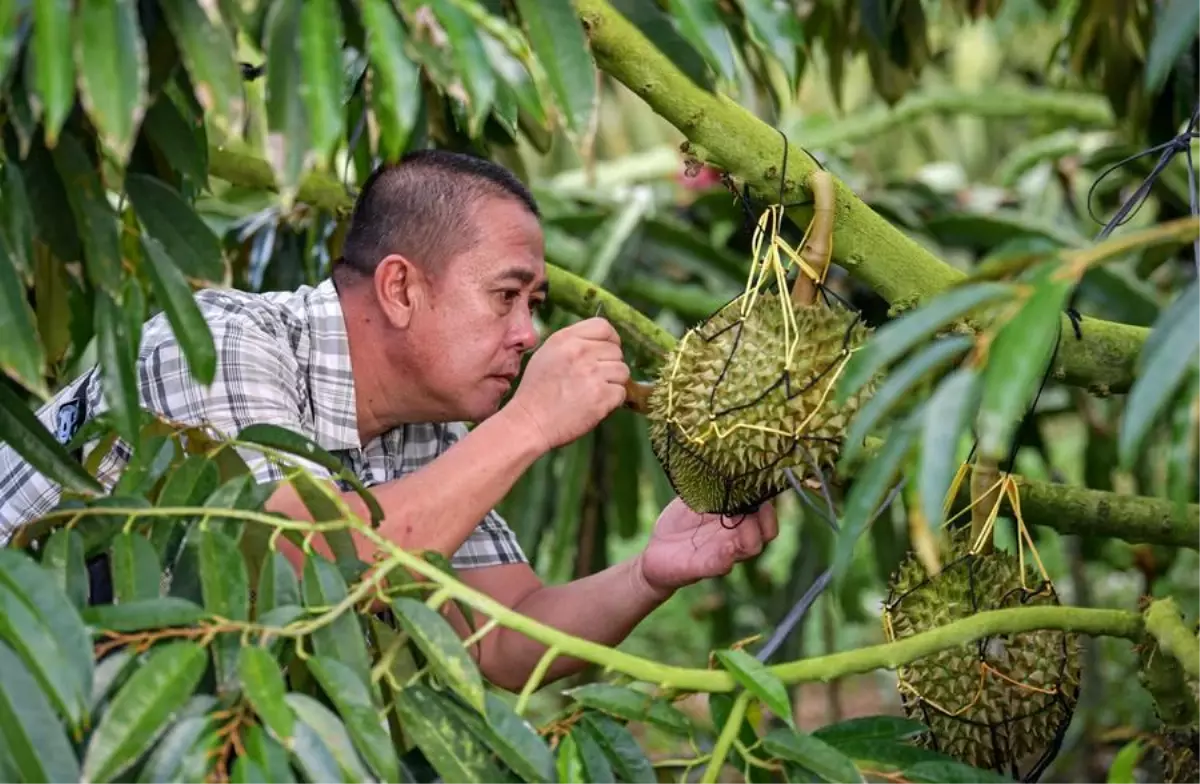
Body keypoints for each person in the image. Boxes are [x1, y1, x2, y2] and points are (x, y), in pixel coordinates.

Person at [0, 149, 777, 691]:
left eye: (533, 306)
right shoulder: (220, 342)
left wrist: (651, 571)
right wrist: (530, 423)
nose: (527, 334)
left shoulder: (425, 428)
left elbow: (504, 638)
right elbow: (293, 567)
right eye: (505, 297)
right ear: (401, 289)